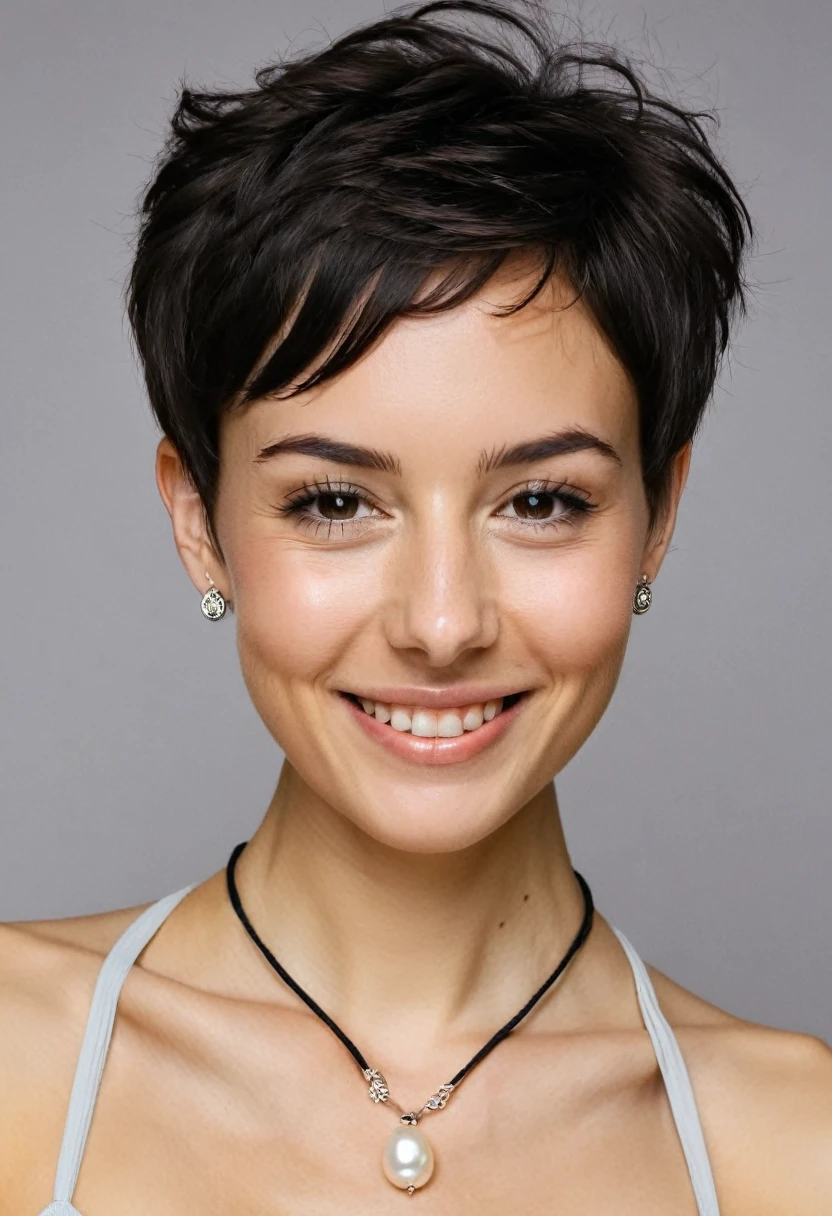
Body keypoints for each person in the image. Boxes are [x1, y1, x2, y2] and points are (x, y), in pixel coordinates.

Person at [2, 1, 830, 1212]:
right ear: (199, 521)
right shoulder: (15, 1060)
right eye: (335, 502)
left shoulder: (795, 1148)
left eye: (540, 501)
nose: (442, 627)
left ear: (657, 512)